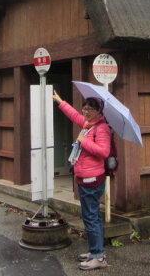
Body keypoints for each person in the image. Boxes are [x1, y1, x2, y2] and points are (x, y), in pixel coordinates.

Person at [53, 89, 111, 271]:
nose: (86, 112)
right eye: (85, 108)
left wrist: (83, 141)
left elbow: (104, 152)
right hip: (85, 178)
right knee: (90, 216)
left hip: (92, 179)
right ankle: (95, 252)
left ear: (99, 111)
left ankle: (98, 257)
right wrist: (60, 101)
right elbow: (74, 115)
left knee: (92, 217)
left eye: (90, 110)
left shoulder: (101, 128)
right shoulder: (88, 125)